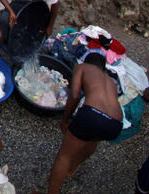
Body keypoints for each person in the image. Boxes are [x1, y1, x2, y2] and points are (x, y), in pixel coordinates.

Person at [34, 53, 124, 194]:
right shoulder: (111, 81)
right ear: (104, 69)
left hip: (92, 115)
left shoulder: (82, 67)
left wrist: (65, 120)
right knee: (93, 139)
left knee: (64, 155)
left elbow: (75, 95)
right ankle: (72, 168)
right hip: (116, 124)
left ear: (87, 62)